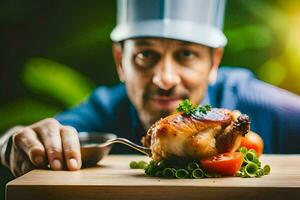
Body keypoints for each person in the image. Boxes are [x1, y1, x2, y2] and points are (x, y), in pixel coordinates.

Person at [0, 0, 300, 177]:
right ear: (121, 61)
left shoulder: (257, 102)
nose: (165, 79)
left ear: (213, 63)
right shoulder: (105, 109)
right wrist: (15, 139)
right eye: (146, 55)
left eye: (186, 55)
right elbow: (34, 135)